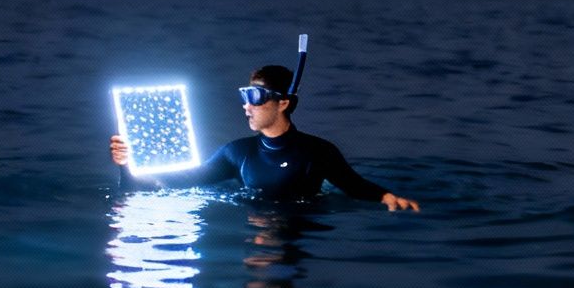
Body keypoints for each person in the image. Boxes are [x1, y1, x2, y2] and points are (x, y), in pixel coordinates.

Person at [110, 64, 420, 211]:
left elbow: (353, 185)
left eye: (255, 96)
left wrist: (387, 197)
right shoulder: (236, 154)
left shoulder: (317, 152)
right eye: (244, 95)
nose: (246, 105)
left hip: (300, 235)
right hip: (255, 236)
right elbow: (168, 184)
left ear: (283, 103)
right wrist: (126, 166)